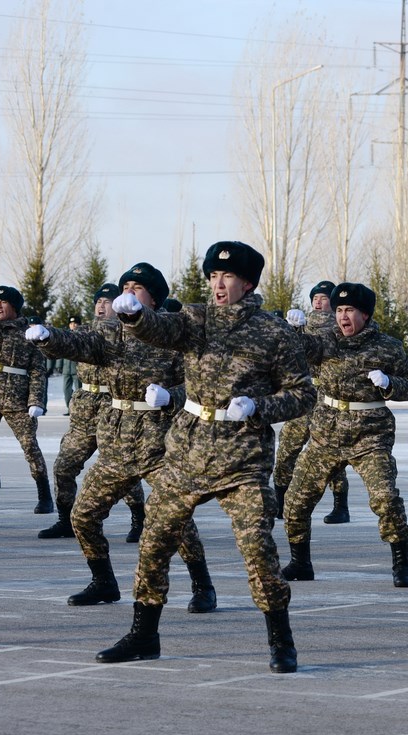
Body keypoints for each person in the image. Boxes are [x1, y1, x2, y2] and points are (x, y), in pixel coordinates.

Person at [93, 241, 315, 673]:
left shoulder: (274, 332)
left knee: (257, 546)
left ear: (247, 283)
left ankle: (281, 640)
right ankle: (144, 634)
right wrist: (135, 317)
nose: (218, 284)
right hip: (188, 452)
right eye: (213, 276)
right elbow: (161, 330)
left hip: (242, 456)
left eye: (227, 277)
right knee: (155, 542)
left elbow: (303, 393)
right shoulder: (196, 319)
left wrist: (260, 407)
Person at [27, 264, 217, 612]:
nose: (128, 293)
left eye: (138, 288)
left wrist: (172, 396)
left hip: (160, 445)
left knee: (177, 520)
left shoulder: (174, 337)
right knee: (83, 516)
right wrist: (47, 338)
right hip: (116, 443)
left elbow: (199, 385)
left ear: (154, 300)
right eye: (125, 286)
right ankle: (103, 582)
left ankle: (202, 585)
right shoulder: (110, 334)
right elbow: (77, 343)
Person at [280, 282, 408, 584]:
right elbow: (300, 350)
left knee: (386, 499)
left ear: (365, 314)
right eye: (339, 309)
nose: (343, 316)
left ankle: (401, 564)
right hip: (325, 436)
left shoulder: (387, 347)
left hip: (370, 437)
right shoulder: (325, 340)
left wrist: (389, 383)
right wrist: (293, 331)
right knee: (295, 501)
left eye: (350, 310)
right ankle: (300, 562)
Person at [38, 284, 147, 542]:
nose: (101, 305)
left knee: (124, 471)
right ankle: (66, 520)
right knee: (63, 466)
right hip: (86, 408)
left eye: (107, 301)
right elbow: (65, 343)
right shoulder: (85, 331)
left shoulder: (129, 335)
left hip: (114, 407)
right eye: (98, 301)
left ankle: (139, 520)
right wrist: (46, 337)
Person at [274, 280, 351, 524]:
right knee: (287, 447)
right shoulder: (301, 324)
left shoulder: (340, 329)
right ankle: (279, 501)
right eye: (315, 297)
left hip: (328, 399)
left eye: (324, 297)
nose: (318, 301)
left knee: (331, 454)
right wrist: (291, 329)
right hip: (304, 394)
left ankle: (341, 505)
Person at [0, 285, 54, 512]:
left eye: (4, 302)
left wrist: (36, 401)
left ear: (15, 307)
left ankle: (45, 496)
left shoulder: (29, 332)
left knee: (29, 446)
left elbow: (38, 370)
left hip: (17, 399)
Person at [56, 315, 82, 415]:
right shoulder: (65, 335)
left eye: (75, 323)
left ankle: (79, 409)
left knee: (79, 391)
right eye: (71, 324)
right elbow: (61, 351)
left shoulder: (81, 336)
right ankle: (69, 408)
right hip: (66, 368)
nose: (73, 325)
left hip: (77, 369)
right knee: (66, 390)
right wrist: (59, 364)